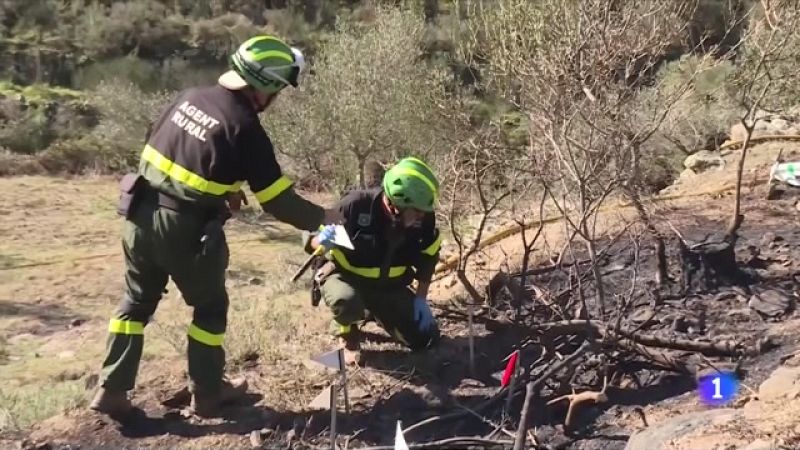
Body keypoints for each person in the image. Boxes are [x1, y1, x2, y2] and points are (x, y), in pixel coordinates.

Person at [89, 35, 343, 419]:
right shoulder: (245, 128)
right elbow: (277, 201)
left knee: (136, 303)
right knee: (209, 308)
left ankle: (111, 390)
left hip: (139, 213)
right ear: (268, 86)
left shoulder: (188, 97)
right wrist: (324, 218)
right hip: (186, 230)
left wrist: (221, 189)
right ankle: (207, 394)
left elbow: (168, 151)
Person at [303, 157, 442, 364]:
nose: (422, 215)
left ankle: (374, 312)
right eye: (417, 210)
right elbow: (312, 238)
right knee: (347, 302)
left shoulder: (424, 219)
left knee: (425, 339)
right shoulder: (354, 205)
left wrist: (421, 299)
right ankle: (347, 333)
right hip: (346, 278)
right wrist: (321, 241)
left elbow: (428, 260)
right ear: (396, 204)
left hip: (388, 287)